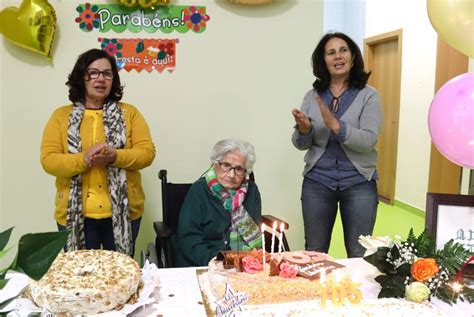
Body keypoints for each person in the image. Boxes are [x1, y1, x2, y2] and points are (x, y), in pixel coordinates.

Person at [41, 48, 155, 257]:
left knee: (120, 277)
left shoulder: (130, 113)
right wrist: (84, 159)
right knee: (81, 280)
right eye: (93, 72)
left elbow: (147, 153)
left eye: (107, 73)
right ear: (81, 77)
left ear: (113, 79)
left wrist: (115, 157)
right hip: (75, 216)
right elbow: (49, 160)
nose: (100, 79)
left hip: (124, 215)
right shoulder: (61, 116)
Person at [291, 32, 382, 258]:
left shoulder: (369, 95)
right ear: (324, 61)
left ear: (353, 58)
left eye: (343, 50)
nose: (338, 56)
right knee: (314, 251)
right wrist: (304, 130)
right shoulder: (313, 95)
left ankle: (354, 294)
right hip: (318, 181)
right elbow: (301, 144)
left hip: (359, 181)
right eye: (331, 52)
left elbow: (369, 140)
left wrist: (337, 126)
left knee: (359, 252)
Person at [173, 138, 262, 267]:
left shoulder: (252, 191)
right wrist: (218, 263)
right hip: (204, 262)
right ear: (215, 164)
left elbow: (257, 228)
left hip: (244, 264)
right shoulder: (199, 191)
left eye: (238, 169)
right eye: (226, 165)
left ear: (245, 172)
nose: (231, 175)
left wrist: (244, 262)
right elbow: (189, 239)